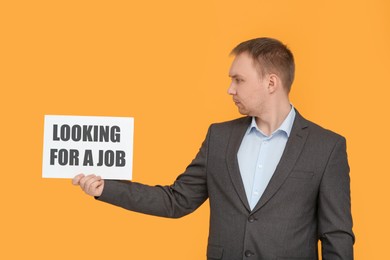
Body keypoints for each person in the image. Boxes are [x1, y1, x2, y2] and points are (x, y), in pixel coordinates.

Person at [73, 37, 354, 260]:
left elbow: (336, 236)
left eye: (238, 80)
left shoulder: (326, 147)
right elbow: (176, 200)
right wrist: (104, 188)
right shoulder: (220, 137)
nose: (230, 89)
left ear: (271, 82)